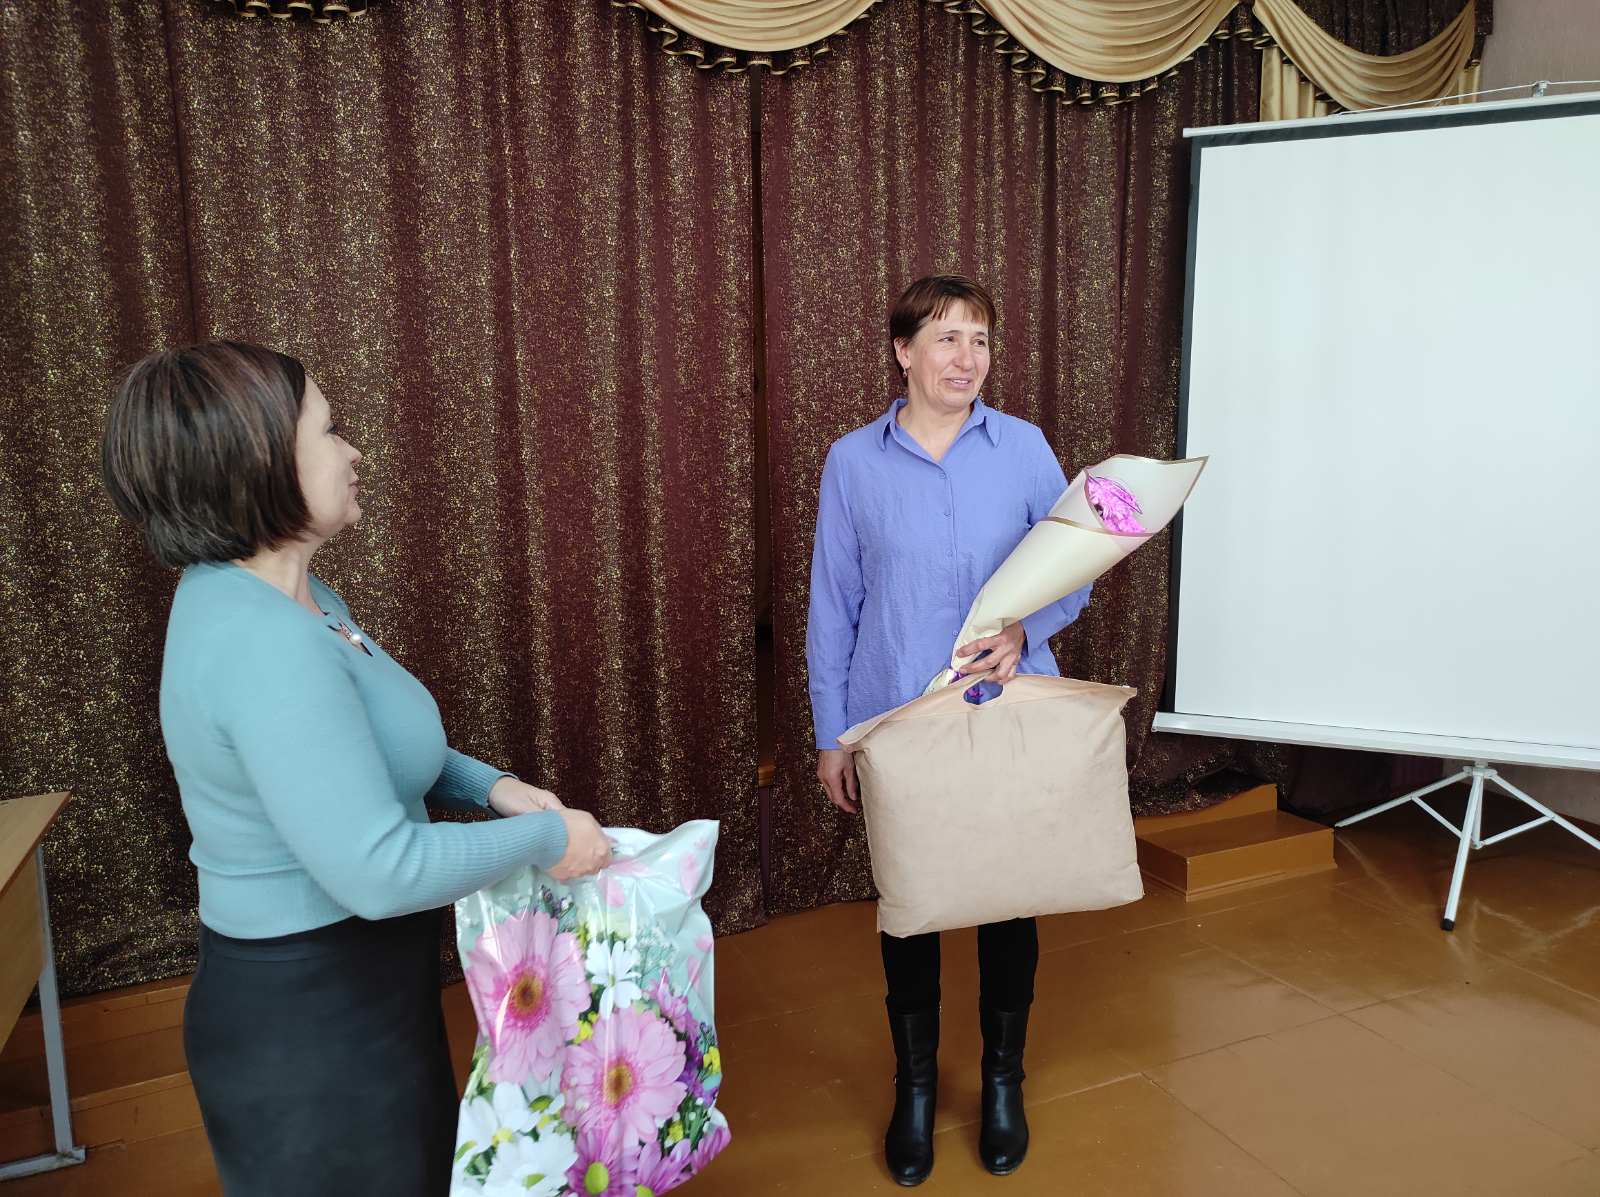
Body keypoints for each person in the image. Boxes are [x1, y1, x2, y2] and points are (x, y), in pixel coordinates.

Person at [100, 341, 612, 1196]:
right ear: (261, 465)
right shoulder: (262, 643)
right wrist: (549, 838)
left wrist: (490, 786)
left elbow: (372, 742)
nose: (354, 451)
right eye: (330, 432)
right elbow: (381, 869)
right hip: (310, 1025)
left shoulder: (293, 595)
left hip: (366, 989)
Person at [807, 276, 1093, 1186]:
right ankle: (917, 1088)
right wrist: (830, 733)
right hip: (899, 719)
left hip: (1007, 711)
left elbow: (1078, 563)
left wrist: (1026, 629)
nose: (967, 358)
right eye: (946, 338)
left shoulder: (1025, 448)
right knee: (912, 905)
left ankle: (1004, 1080)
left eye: (980, 339)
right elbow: (833, 603)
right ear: (903, 351)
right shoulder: (853, 462)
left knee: (1009, 899)